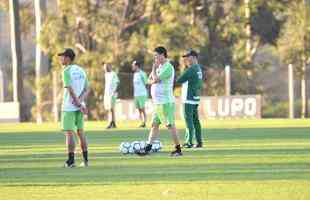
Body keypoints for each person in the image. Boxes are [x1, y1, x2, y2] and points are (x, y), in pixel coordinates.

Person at [137, 46, 182, 156]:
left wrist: (153, 71)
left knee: (170, 126)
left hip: (165, 103)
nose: (155, 58)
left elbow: (155, 80)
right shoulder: (159, 67)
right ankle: (148, 148)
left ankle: (178, 149)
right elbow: (149, 80)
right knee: (154, 125)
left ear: (162, 55)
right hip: (158, 103)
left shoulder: (168, 67)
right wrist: (154, 74)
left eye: (156, 55)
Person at [58, 48, 90, 168]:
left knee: (69, 134)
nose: (61, 59)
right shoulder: (81, 70)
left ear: (68, 58)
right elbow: (87, 89)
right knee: (81, 133)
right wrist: (80, 103)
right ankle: (86, 161)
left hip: (68, 107)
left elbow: (70, 89)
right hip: (80, 106)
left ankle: (71, 161)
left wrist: (76, 102)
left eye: (62, 56)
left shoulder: (66, 71)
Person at [176, 49, 203, 148]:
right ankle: (199, 142)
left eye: (188, 57)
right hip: (195, 97)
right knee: (196, 121)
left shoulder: (191, 69)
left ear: (194, 57)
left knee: (189, 122)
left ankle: (189, 142)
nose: (186, 59)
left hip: (188, 98)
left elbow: (179, 80)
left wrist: (184, 68)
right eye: (185, 57)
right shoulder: (198, 68)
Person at [132, 60, 148, 128]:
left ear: (137, 66)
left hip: (142, 94)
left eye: (133, 65)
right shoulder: (135, 74)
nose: (132, 67)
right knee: (139, 109)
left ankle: (144, 122)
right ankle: (141, 122)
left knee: (142, 108)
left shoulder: (142, 73)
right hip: (136, 94)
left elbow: (146, 82)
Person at [104, 63, 120, 129]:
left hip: (112, 94)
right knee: (108, 109)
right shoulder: (106, 74)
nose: (105, 68)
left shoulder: (113, 74)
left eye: (106, 67)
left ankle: (112, 122)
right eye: (104, 67)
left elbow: (117, 82)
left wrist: (114, 91)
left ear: (109, 67)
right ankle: (112, 122)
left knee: (111, 108)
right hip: (107, 94)